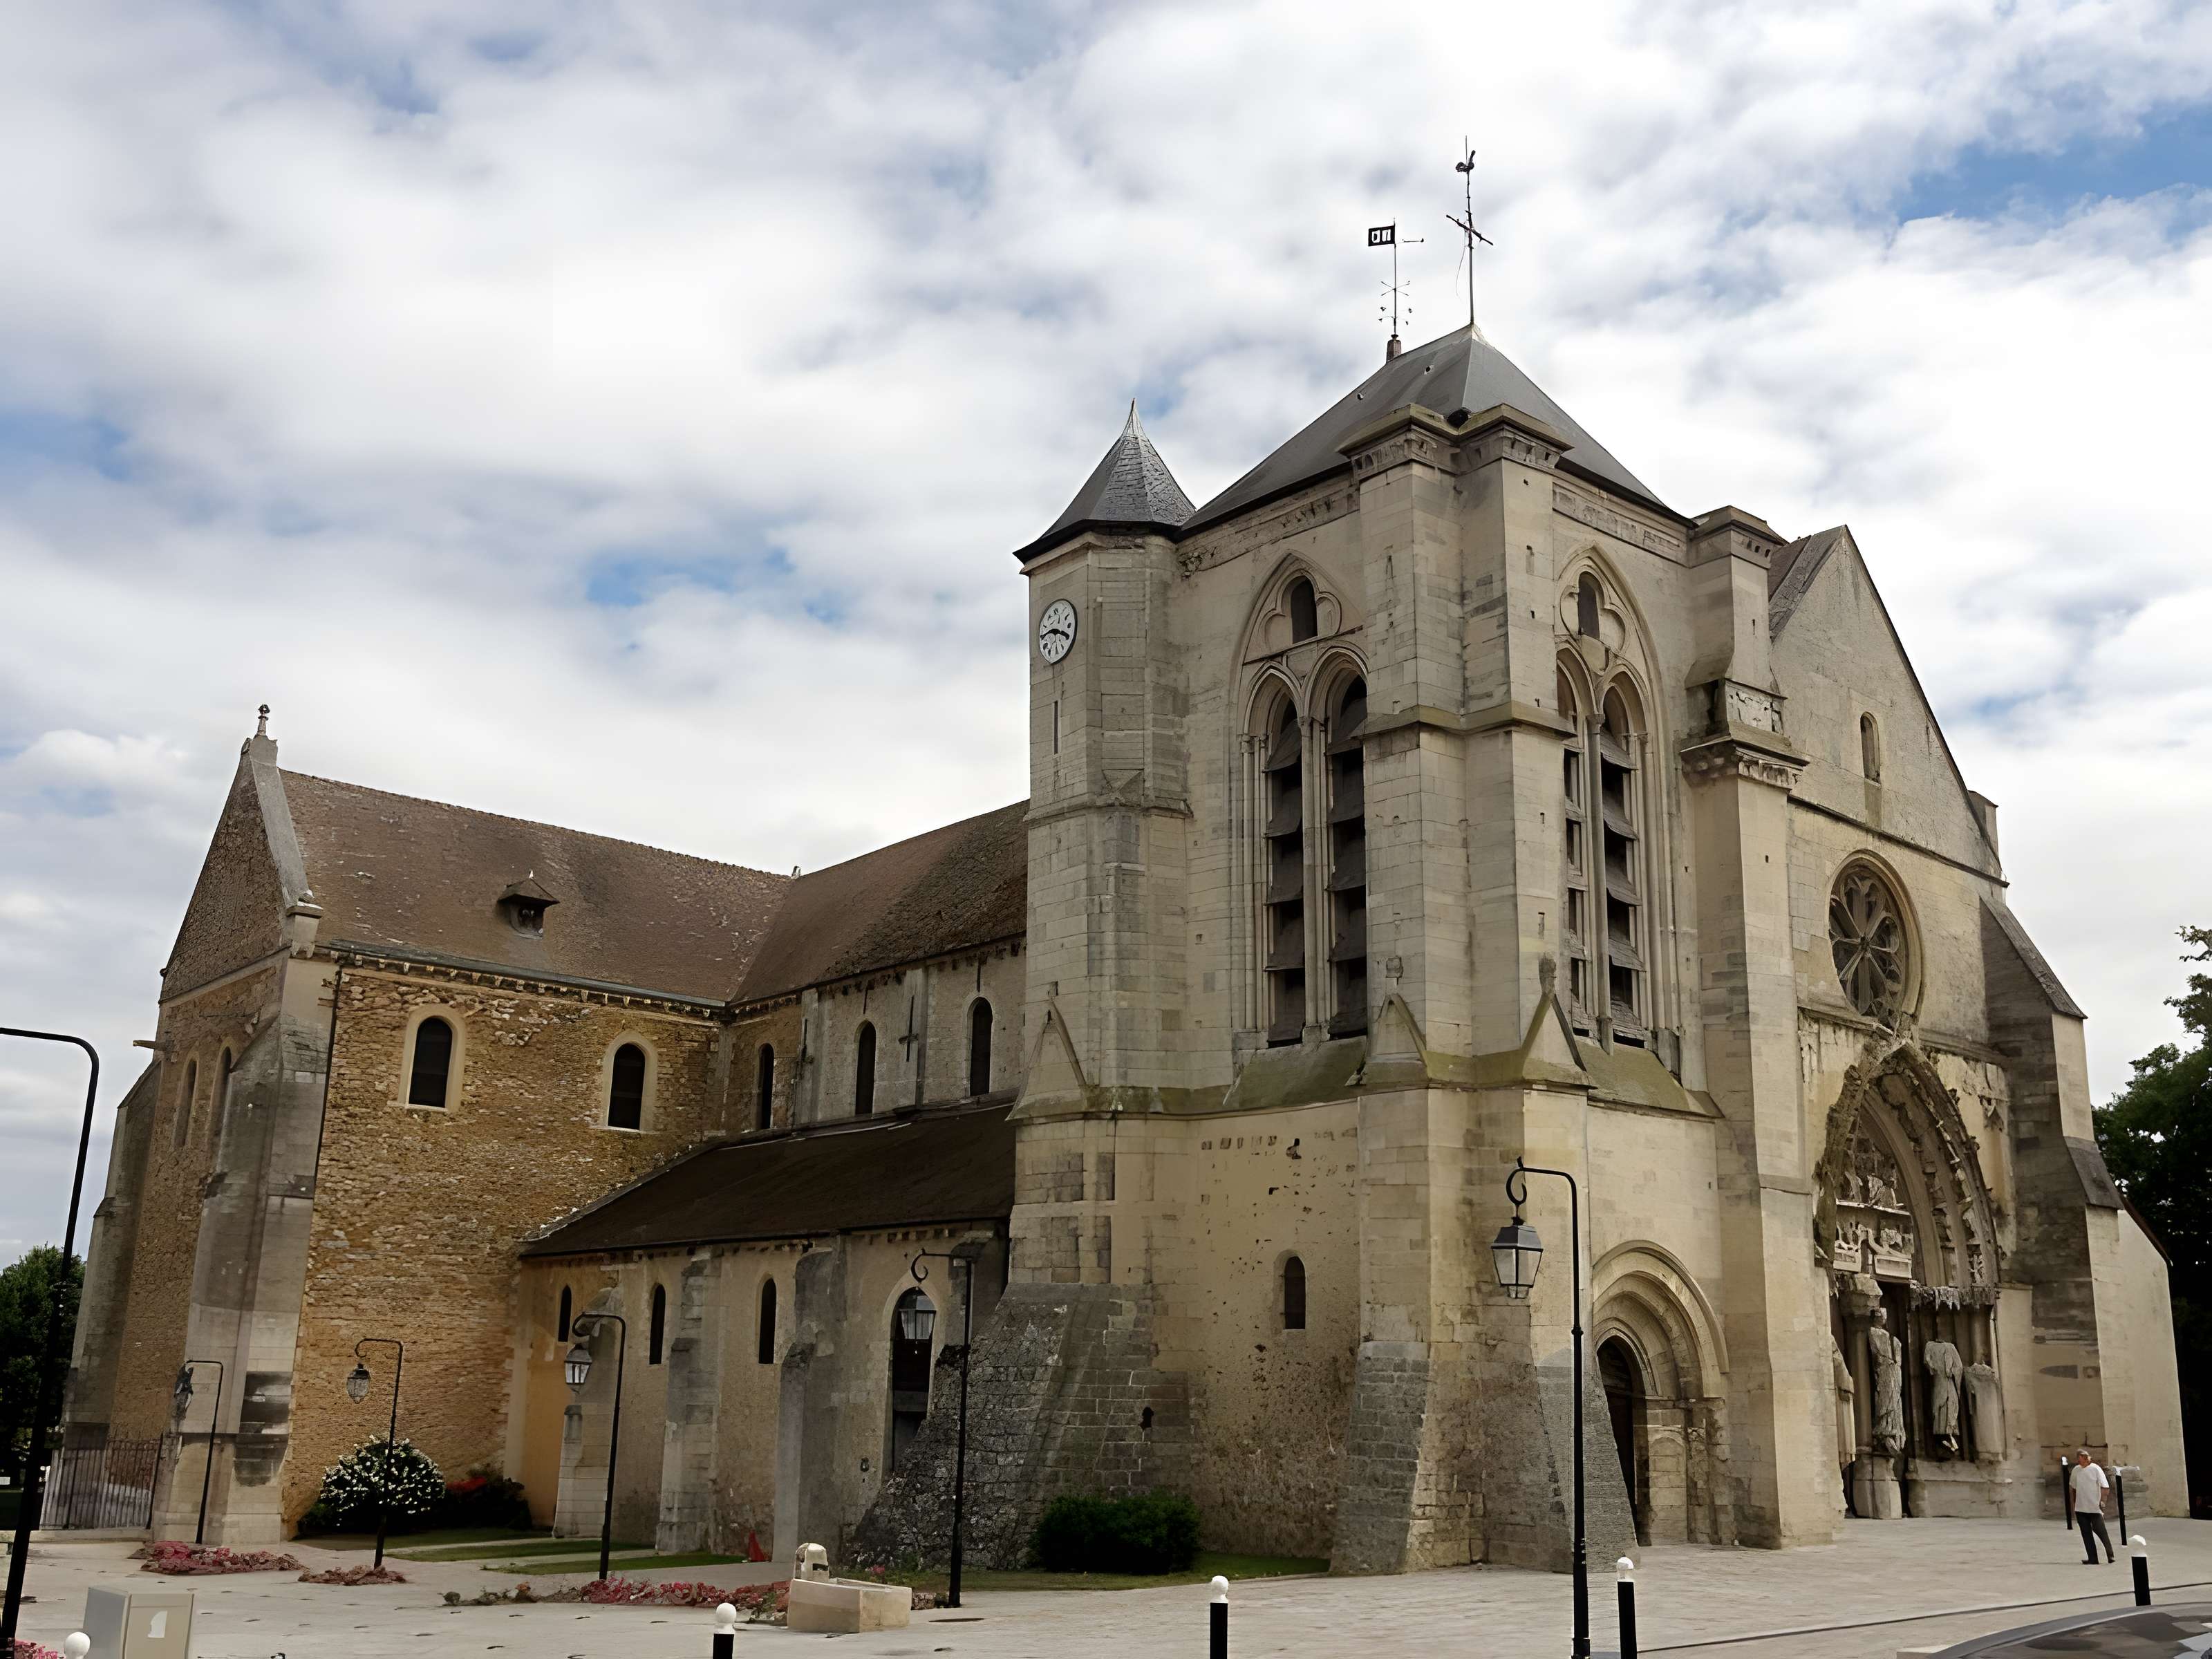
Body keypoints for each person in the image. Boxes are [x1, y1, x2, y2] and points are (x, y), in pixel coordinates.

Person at [2070, 1448, 2115, 1564]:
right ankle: (2092, 1558)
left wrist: (2102, 1502)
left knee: (2101, 1531)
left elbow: (2105, 1487)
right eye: (2078, 1460)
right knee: (2086, 1534)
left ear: (2086, 1459)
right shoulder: (2076, 1470)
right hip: (2081, 1508)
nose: (2079, 1462)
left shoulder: (2095, 1469)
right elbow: (2074, 1488)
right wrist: (2074, 1505)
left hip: (2094, 1507)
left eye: (2081, 1460)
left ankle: (2110, 1555)